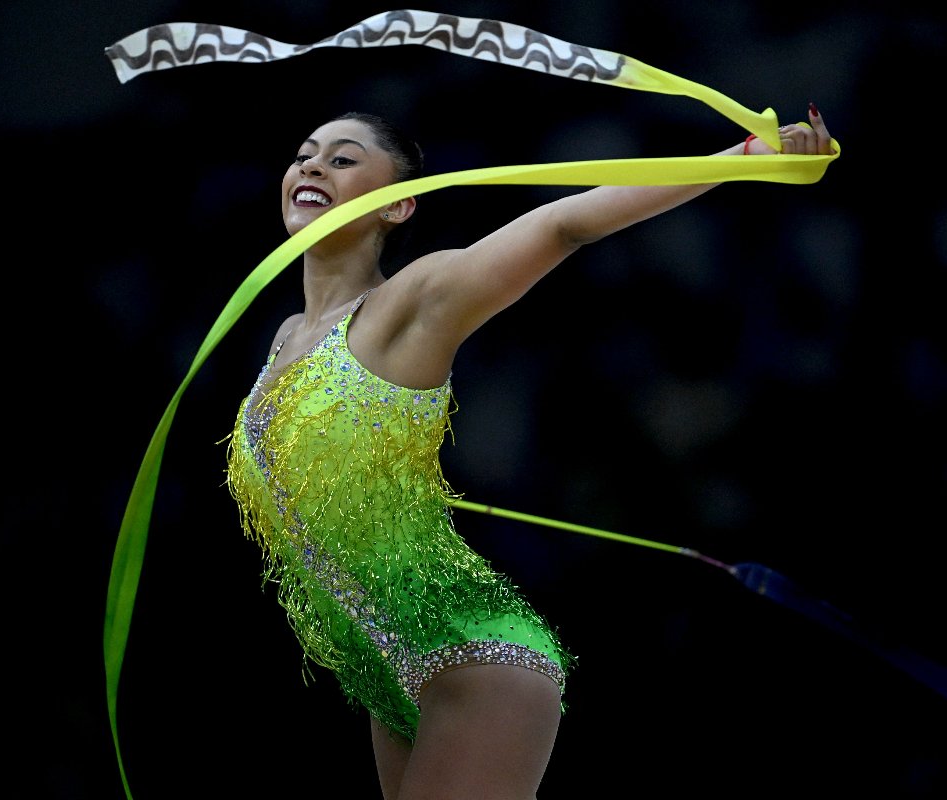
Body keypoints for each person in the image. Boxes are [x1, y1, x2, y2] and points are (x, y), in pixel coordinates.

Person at [222, 107, 834, 800]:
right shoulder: (283, 339)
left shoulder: (413, 300)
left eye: (343, 158)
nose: (312, 166)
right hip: (381, 669)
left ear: (397, 207)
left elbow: (561, 226)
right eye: (305, 154)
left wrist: (739, 156)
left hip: (471, 657)